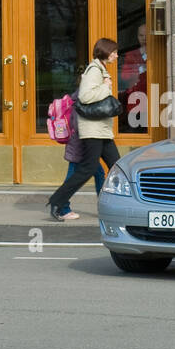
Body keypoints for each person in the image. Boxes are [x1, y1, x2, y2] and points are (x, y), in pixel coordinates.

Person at [47, 38, 121, 222]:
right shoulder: (94, 70)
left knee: (117, 168)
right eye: (114, 51)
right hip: (93, 130)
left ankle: (113, 206)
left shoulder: (100, 69)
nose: (116, 55)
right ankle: (58, 201)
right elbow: (85, 96)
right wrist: (105, 87)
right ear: (106, 52)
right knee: (88, 169)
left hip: (101, 130)